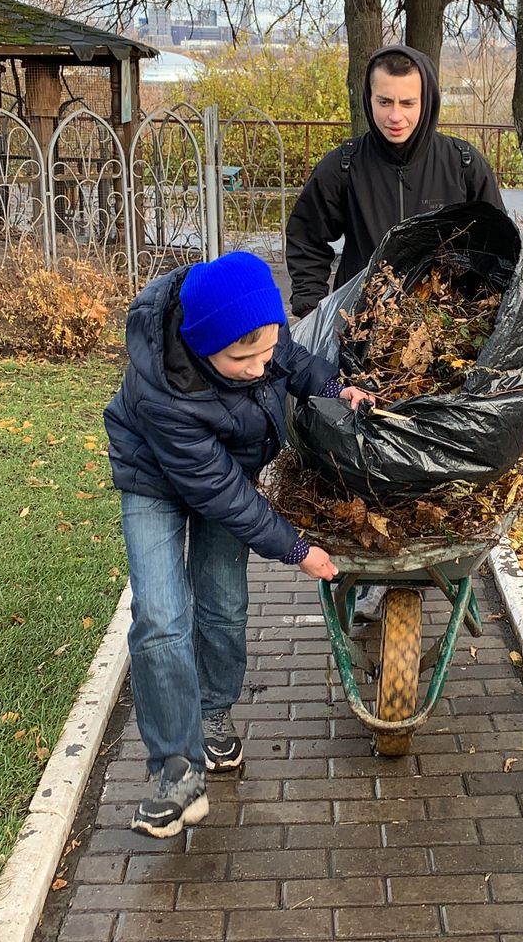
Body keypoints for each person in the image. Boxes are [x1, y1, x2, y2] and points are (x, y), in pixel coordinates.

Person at [104, 251, 374, 838]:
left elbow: (290, 361)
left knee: (222, 601)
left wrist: (335, 387)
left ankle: (214, 714)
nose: (257, 369)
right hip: (153, 478)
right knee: (161, 616)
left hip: (226, 470)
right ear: (202, 347)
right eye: (240, 359)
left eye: (264, 351)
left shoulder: (260, 342)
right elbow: (225, 496)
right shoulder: (163, 392)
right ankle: (177, 770)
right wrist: (298, 550)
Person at [285, 44, 504, 319]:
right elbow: (306, 238)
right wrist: (312, 310)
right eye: (384, 102)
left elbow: (499, 249)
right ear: (369, 98)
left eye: (408, 103)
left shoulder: (463, 165)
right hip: (360, 329)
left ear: (427, 100)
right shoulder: (344, 166)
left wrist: (485, 311)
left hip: (447, 331)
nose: (395, 117)